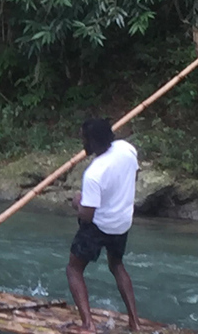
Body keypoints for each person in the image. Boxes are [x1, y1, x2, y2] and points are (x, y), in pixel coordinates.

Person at [66, 118, 141, 333]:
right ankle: (135, 323)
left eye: (85, 140)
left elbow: (87, 216)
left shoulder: (94, 173)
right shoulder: (127, 149)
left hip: (100, 225)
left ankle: (88, 325)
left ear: (94, 142)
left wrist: (77, 203)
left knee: (74, 268)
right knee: (116, 265)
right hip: (122, 221)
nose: (83, 145)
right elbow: (132, 175)